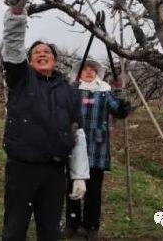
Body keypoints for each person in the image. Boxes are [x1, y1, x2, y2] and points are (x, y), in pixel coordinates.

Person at [1, 0, 90, 241]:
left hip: (54, 172)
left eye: (47, 51)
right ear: (28, 61)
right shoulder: (21, 78)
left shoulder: (70, 91)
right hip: (22, 169)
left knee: (51, 231)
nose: (42, 53)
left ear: (55, 59)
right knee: (15, 229)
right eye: (36, 52)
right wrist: (17, 13)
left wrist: (79, 175)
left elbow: (78, 133)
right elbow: (14, 45)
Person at [60, 60, 131, 241]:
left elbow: (118, 111)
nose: (89, 72)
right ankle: (72, 223)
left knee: (93, 191)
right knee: (72, 188)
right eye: (85, 69)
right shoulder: (72, 90)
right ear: (79, 73)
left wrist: (123, 104)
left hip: (96, 149)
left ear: (97, 73)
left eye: (93, 70)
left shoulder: (105, 92)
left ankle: (91, 226)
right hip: (74, 146)